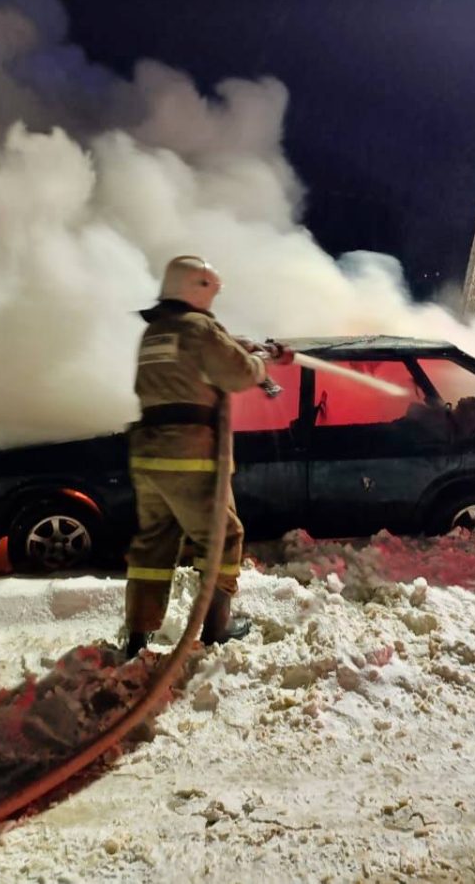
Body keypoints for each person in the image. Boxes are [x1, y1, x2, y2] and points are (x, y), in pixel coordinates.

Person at [124, 255, 292, 659]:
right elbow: (236, 373)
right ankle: (217, 625)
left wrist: (240, 346)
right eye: (210, 292)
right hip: (190, 455)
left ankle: (137, 636)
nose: (212, 301)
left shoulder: (156, 332)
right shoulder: (199, 327)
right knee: (224, 536)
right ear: (196, 288)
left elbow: (201, 357)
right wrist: (262, 360)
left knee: (153, 545)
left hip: (148, 454)